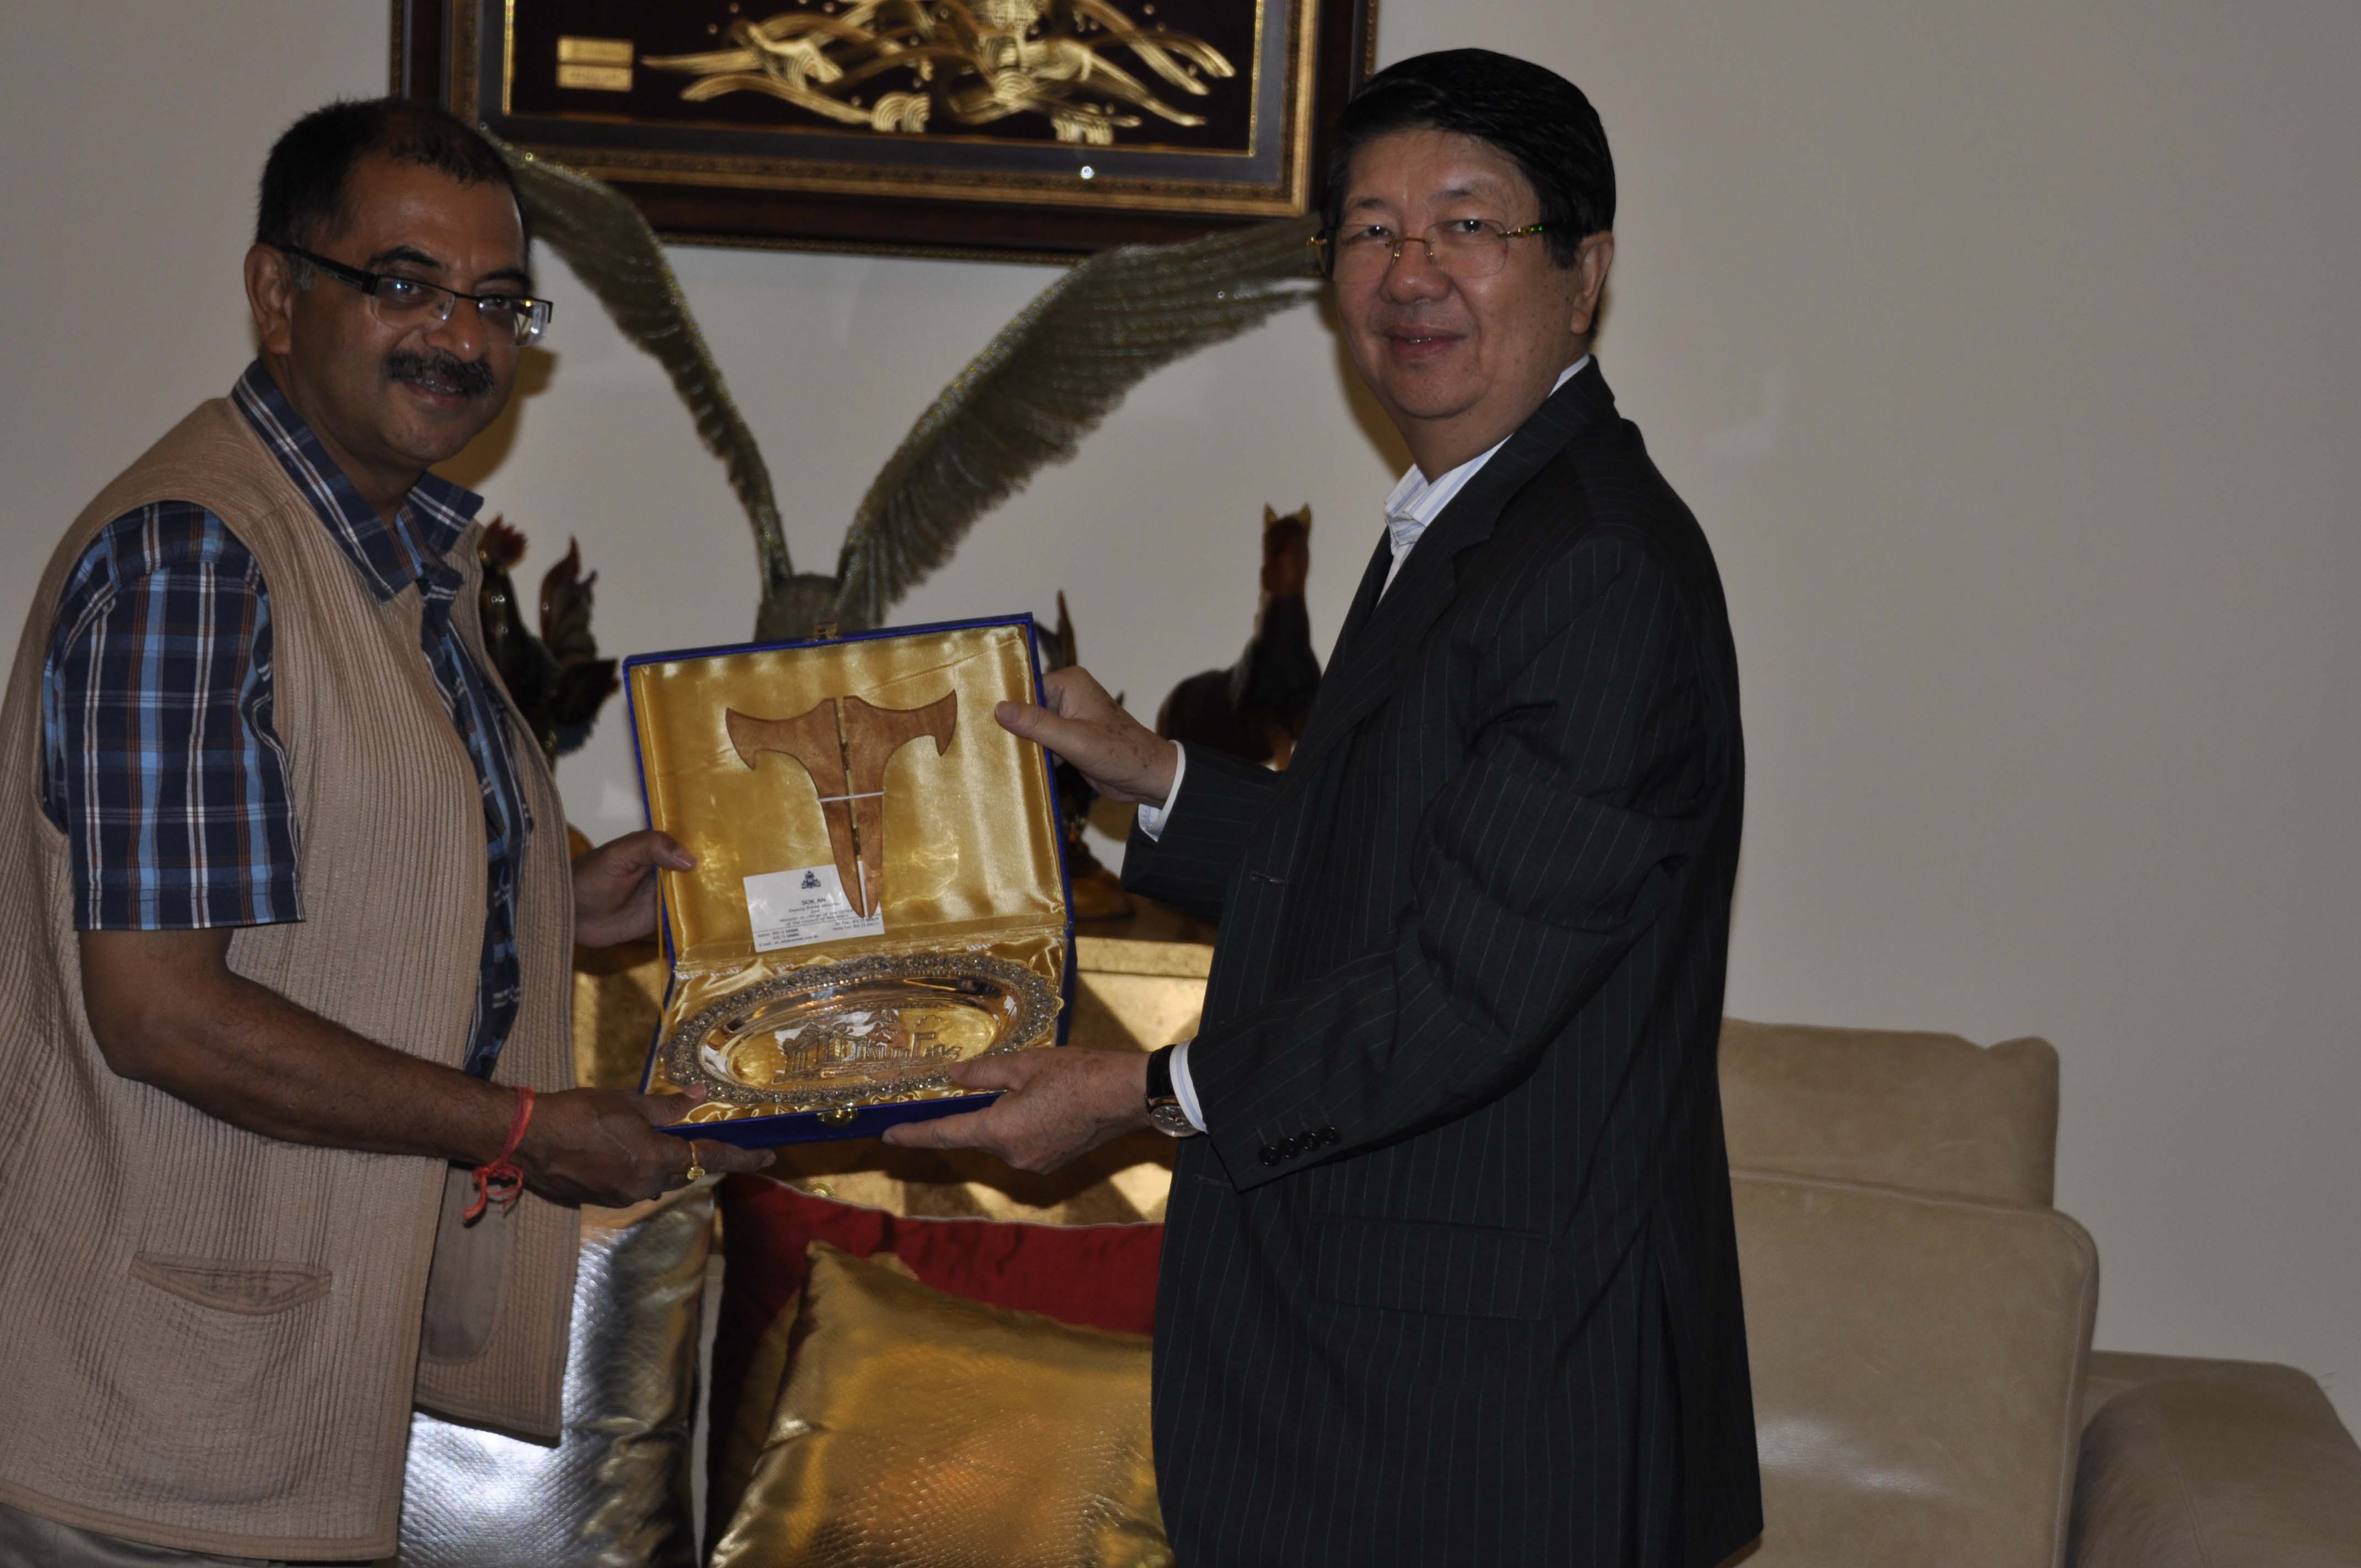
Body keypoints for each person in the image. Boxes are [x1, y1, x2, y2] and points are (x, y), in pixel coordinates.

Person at [888, 49, 1761, 1566]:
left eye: (1467, 225)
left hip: (1487, 1416)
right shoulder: (1480, 516)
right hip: (1392, 1393)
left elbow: (1467, 990)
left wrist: (1134, 1093)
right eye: (1369, 230)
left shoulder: (1594, 567)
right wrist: (1156, 776)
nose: (1410, 272)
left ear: (1584, 271)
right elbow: (1412, 865)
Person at [0, 100, 767, 1565]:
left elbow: (320, 860)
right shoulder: (196, 559)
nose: (459, 339)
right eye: (402, 283)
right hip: (145, 1433)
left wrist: (552, 900)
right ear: (278, 294)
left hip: (269, 1410)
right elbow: (163, 1011)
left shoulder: (394, 553)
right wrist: (532, 1133)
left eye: (496, 301)